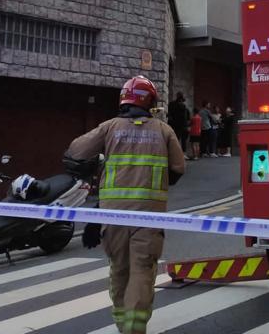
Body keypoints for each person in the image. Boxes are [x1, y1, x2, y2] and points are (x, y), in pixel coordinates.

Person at [64, 76, 185, 334]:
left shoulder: (109, 127)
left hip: (113, 215)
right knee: (142, 269)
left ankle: (122, 324)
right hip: (149, 218)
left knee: (119, 268)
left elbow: (75, 153)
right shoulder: (164, 130)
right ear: (150, 101)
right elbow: (178, 168)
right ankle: (135, 328)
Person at [167, 92, 191, 159]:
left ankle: (175, 154)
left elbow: (169, 115)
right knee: (182, 141)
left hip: (176, 126)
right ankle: (182, 154)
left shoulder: (172, 105)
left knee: (176, 140)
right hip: (181, 126)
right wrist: (187, 126)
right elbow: (186, 118)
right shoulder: (184, 107)